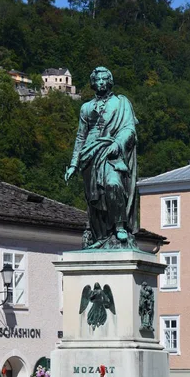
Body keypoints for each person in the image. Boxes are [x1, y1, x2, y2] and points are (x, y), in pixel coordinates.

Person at [65, 66, 138, 248]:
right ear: (93, 83)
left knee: (113, 184)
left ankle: (120, 226)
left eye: (104, 79)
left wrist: (117, 143)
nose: (101, 82)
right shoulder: (86, 108)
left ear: (110, 81)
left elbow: (129, 129)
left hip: (112, 151)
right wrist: (74, 164)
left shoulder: (121, 103)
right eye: (97, 80)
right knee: (94, 198)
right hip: (90, 154)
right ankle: (102, 234)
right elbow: (81, 136)